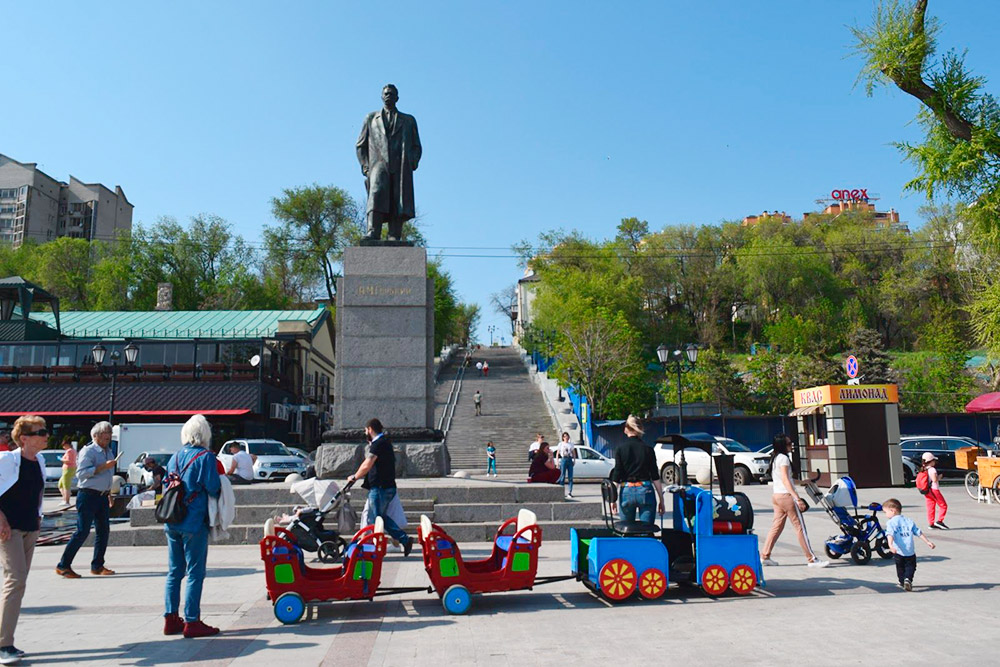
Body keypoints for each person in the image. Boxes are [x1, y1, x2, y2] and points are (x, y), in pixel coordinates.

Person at [163, 414, 222, 638]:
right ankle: (192, 621)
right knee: (195, 572)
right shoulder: (205, 457)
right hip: (194, 520)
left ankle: (170, 619)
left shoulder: (175, 457)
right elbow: (213, 487)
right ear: (205, 433)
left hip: (172, 519)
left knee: (174, 571)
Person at [0, 416, 47, 664]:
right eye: (40, 432)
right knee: (15, 581)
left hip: (30, 527)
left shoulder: (38, 460)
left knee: (19, 583)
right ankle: (3, 644)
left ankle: (6, 640)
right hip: (9, 529)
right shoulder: (7, 460)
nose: (46, 435)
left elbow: (36, 494)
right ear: (24, 438)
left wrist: (39, 518)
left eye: (46, 431)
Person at [356, 83, 422, 242]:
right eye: (386, 94)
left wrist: (411, 162)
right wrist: (366, 166)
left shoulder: (408, 120)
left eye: (391, 94)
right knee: (376, 194)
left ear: (397, 98)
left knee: (397, 199)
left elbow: (416, 146)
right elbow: (360, 145)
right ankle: (373, 231)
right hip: (378, 165)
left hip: (401, 166)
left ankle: (394, 234)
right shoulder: (371, 118)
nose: (388, 96)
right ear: (381, 96)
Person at [56, 421, 117, 578]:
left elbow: (108, 476)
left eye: (109, 438)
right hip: (88, 495)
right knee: (82, 531)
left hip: (102, 495)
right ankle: (63, 565)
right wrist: (103, 466)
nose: (107, 441)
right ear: (95, 436)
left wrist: (109, 492)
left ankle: (97, 565)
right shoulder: (88, 451)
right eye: (104, 438)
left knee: (103, 531)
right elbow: (81, 473)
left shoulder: (108, 451)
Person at [346, 419, 413, 557]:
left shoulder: (378, 444)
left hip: (380, 488)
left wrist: (354, 477)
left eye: (366, 430)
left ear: (370, 429)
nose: (365, 433)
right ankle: (399, 541)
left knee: (376, 519)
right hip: (386, 486)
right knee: (378, 518)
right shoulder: (385, 443)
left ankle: (378, 547)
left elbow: (367, 464)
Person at [760, 434, 828, 568]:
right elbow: (785, 479)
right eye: (789, 443)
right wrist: (797, 498)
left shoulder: (775, 458)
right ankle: (811, 559)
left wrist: (802, 482)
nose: (792, 445)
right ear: (782, 445)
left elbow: (783, 479)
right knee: (800, 527)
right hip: (786, 497)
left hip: (777, 496)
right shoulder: (784, 458)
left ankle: (765, 556)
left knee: (776, 527)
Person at [609, 415, 665, 522]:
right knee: (647, 530)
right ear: (640, 430)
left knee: (626, 530)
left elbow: (617, 475)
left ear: (626, 430)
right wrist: (661, 500)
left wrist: (613, 499)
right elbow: (655, 476)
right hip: (645, 489)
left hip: (626, 490)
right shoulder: (648, 450)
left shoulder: (620, 449)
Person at [883, 497, 935, 591]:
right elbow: (918, 532)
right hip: (910, 551)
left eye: (886, 512)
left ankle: (902, 581)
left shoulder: (891, 523)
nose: (886, 515)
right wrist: (927, 542)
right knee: (911, 566)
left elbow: (890, 534)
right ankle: (908, 579)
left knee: (900, 567)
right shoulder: (908, 521)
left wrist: (890, 545)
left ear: (892, 511)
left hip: (898, 551)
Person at [921, 452, 948, 529]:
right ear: (931, 461)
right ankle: (940, 521)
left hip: (926, 490)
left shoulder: (924, 469)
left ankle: (931, 523)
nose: (935, 462)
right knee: (943, 505)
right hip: (934, 489)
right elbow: (934, 480)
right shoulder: (932, 469)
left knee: (930, 506)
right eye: (934, 461)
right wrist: (939, 477)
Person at [555, 432, 577, 498]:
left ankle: (570, 492)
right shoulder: (561, 444)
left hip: (569, 459)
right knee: (562, 476)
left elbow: (573, 453)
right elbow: (557, 453)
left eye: (567, 436)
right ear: (563, 437)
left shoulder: (571, 444)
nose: (566, 438)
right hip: (563, 459)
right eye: (564, 436)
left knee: (570, 477)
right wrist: (557, 462)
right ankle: (561, 491)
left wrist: (574, 460)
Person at [58, 438, 77, 506]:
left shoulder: (69, 451)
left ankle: (67, 501)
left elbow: (69, 460)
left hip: (68, 469)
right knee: (60, 484)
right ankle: (65, 498)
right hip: (70, 469)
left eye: (64, 445)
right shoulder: (73, 450)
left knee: (66, 485)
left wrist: (61, 459)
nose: (63, 447)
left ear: (67, 445)